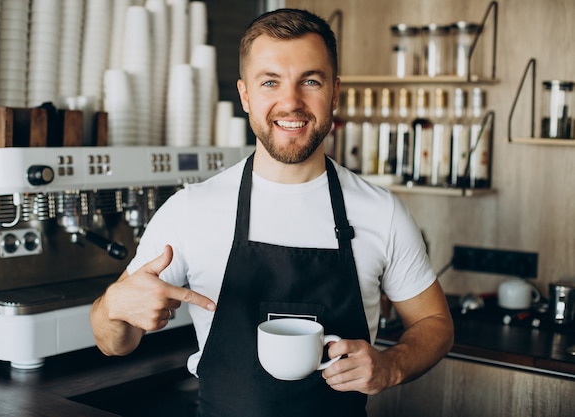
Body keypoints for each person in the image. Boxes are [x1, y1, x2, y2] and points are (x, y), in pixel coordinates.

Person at [90, 8, 454, 417]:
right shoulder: (190, 210)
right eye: (270, 82)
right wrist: (112, 308)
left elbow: (435, 324)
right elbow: (112, 341)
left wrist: (391, 366)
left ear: (335, 92)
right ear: (245, 95)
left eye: (310, 81)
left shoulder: (381, 212)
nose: (291, 102)